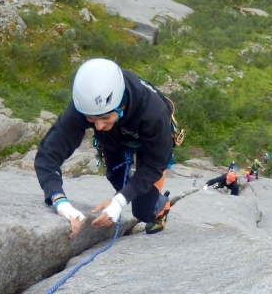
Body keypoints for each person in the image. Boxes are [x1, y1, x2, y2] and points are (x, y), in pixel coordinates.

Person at [35, 58, 175, 238]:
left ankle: (162, 205)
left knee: (142, 211)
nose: (98, 126)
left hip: (149, 144)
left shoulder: (153, 113)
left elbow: (154, 164)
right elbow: (48, 155)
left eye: (105, 118)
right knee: (116, 178)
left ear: (120, 105)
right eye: (92, 120)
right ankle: (127, 191)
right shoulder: (83, 107)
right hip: (113, 140)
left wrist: (118, 201)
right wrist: (60, 202)